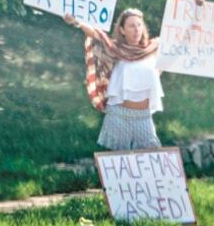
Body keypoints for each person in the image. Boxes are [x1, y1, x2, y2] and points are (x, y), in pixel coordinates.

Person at [65, 8, 164, 150]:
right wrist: (76, 22)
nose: (137, 29)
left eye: (139, 25)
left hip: (144, 117)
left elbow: (179, 37)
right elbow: (95, 34)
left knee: (150, 160)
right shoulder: (115, 49)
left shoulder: (153, 48)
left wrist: (197, 9)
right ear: (122, 30)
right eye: (131, 26)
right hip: (119, 116)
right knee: (118, 164)